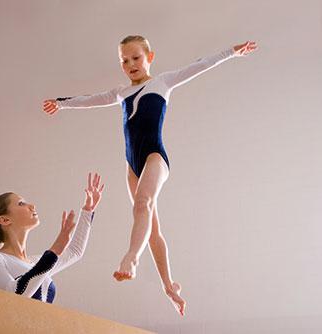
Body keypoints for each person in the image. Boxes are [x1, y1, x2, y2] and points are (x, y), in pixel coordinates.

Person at [42, 36, 257, 315]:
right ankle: (169, 286)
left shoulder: (163, 82)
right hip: (132, 164)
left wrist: (231, 52)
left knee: (142, 204)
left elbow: (200, 65)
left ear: (150, 57)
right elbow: (90, 100)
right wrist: (61, 103)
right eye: (125, 61)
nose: (131, 64)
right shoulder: (120, 93)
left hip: (155, 156)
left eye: (136, 58)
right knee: (151, 226)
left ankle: (131, 258)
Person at [0, 172, 104, 303]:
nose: (32, 206)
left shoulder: (35, 262)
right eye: (21, 203)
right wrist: (54, 252)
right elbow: (12, 296)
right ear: (4, 220)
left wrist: (88, 210)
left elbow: (74, 252)